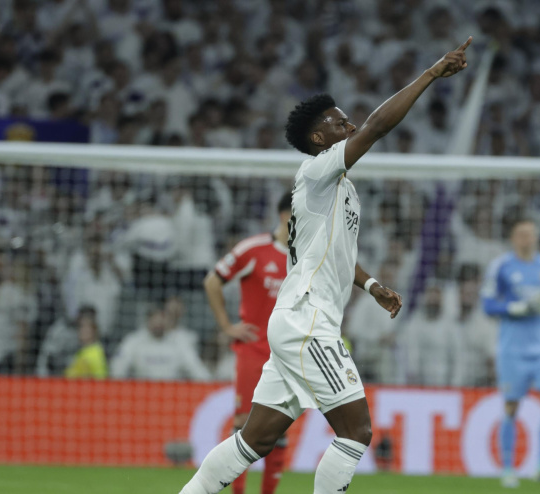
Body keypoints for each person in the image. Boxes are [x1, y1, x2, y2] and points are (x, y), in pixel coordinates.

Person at [179, 36, 471, 494]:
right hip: (308, 321)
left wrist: (371, 284)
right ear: (319, 139)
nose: (350, 124)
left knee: (254, 439)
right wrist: (431, 74)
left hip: (297, 319)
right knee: (356, 433)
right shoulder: (317, 172)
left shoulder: (340, 189)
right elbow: (375, 127)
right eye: (339, 122)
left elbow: (331, 252)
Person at [202, 193, 292, 494]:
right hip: (254, 352)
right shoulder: (253, 250)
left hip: (287, 355)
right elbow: (212, 281)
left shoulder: (304, 257)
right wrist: (227, 326)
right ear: (285, 215)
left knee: (279, 428)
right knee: (244, 424)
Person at [481, 217, 540, 488]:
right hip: (512, 348)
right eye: (521, 235)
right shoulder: (502, 266)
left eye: (530, 234)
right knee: (512, 406)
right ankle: (508, 469)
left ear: (536, 237)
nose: (527, 239)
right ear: (513, 239)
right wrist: (512, 309)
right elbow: (488, 304)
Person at [64, 306, 108, 379]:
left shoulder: (97, 352)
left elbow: (101, 380)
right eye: (80, 327)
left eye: (85, 327)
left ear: (94, 329)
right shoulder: (80, 351)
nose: (81, 331)